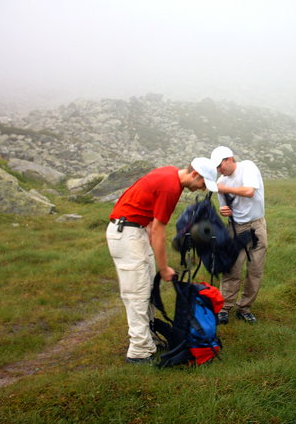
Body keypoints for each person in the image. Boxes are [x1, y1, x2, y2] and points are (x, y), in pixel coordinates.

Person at [106, 158, 218, 364]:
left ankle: (148, 339)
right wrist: (164, 267)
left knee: (147, 289)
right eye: (202, 183)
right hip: (128, 233)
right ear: (195, 174)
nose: (201, 189)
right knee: (137, 293)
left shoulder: (169, 173)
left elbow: (148, 212)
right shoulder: (170, 188)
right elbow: (159, 230)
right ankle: (139, 351)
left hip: (136, 230)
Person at [210, 146, 267, 324]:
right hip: (235, 228)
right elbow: (224, 207)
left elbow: (249, 191)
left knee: (255, 270)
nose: (219, 170)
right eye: (217, 168)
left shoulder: (247, 167)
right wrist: (223, 210)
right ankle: (224, 308)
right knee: (232, 269)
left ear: (229, 159)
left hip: (257, 226)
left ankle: (245, 308)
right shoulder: (221, 181)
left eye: (220, 165)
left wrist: (225, 188)